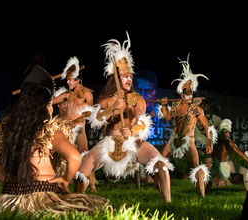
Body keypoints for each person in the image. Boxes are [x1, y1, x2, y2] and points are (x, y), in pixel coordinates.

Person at [0, 64, 109, 215]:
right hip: (43, 195)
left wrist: (6, 180)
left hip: (12, 196)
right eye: (50, 105)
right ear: (44, 107)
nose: (52, 109)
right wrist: (65, 180)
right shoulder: (48, 129)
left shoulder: (8, 130)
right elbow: (74, 158)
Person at [73, 32, 174, 203]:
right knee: (81, 173)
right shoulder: (106, 99)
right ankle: (76, 202)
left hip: (133, 142)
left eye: (130, 76)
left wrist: (133, 129)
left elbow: (143, 121)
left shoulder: (138, 99)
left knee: (161, 165)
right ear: (117, 78)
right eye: (125, 76)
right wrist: (113, 108)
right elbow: (97, 117)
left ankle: (168, 203)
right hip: (110, 143)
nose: (129, 79)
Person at [158, 54, 214, 198]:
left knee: (197, 169)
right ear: (182, 94)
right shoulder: (176, 105)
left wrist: (209, 142)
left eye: (190, 92)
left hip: (189, 141)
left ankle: (201, 195)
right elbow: (167, 117)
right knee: (161, 163)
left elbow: (207, 127)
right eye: (186, 92)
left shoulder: (196, 109)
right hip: (174, 139)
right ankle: (157, 190)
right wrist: (164, 105)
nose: (189, 95)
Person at [52, 56, 97, 192]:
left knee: (84, 153)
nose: (68, 82)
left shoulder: (87, 94)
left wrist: (77, 121)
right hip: (65, 128)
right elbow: (51, 101)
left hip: (79, 128)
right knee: (60, 154)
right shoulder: (66, 94)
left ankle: (92, 184)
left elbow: (90, 113)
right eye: (67, 79)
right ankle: (57, 179)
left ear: (78, 80)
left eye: (71, 80)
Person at [210, 119, 248, 191]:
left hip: (227, 165)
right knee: (219, 184)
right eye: (226, 132)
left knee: (246, 172)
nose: (228, 134)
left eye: (228, 132)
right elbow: (211, 156)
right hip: (217, 166)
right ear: (221, 133)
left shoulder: (229, 143)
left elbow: (239, 152)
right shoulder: (215, 143)